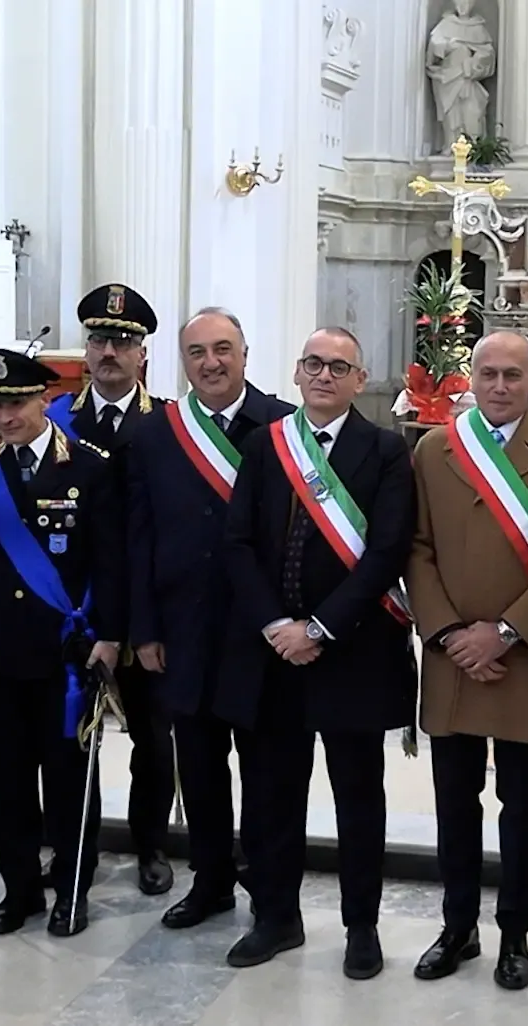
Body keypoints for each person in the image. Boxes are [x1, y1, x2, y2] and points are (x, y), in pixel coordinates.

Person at [217, 327, 417, 977]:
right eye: (313, 364)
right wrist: (277, 624)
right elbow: (238, 543)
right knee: (273, 791)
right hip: (274, 653)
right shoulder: (265, 444)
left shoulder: (386, 451)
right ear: (297, 374)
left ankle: (362, 925)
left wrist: (321, 628)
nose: (324, 375)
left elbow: (385, 552)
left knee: (358, 795)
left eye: (339, 366)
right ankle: (276, 916)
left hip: (353, 652)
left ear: (361, 380)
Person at [406, 330, 528, 991]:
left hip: (524, 658)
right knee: (454, 802)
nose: (500, 386)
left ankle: (514, 933)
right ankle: (457, 927)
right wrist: (452, 633)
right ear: (472, 379)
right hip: (454, 655)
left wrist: (506, 632)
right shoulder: (435, 451)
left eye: (513, 374)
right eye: (488, 374)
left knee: (523, 804)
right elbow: (417, 547)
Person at [126, 308, 294, 931]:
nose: (211, 363)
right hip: (183, 633)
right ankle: (211, 880)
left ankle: (270, 889)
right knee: (197, 770)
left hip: (261, 635)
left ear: (246, 354)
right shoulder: (154, 435)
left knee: (265, 772)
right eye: (197, 352)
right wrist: (144, 629)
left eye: (223, 349)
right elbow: (137, 540)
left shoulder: (283, 426)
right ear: (182, 361)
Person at [0, 348, 125, 937]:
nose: (5, 417)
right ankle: (19, 888)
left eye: (17, 404)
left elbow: (112, 559)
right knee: (9, 775)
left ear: (45, 400)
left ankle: (72, 888)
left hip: (65, 652)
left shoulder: (88, 465)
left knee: (69, 777)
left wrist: (110, 635)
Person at [49, 283, 175, 897]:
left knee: (154, 737)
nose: (109, 352)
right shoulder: (54, 421)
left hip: (149, 609)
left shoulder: (171, 423)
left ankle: (151, 843)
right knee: (75, 737)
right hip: (80, 608)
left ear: (142, 353)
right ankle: (78, 848)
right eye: (99, 339)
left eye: (123, 341)